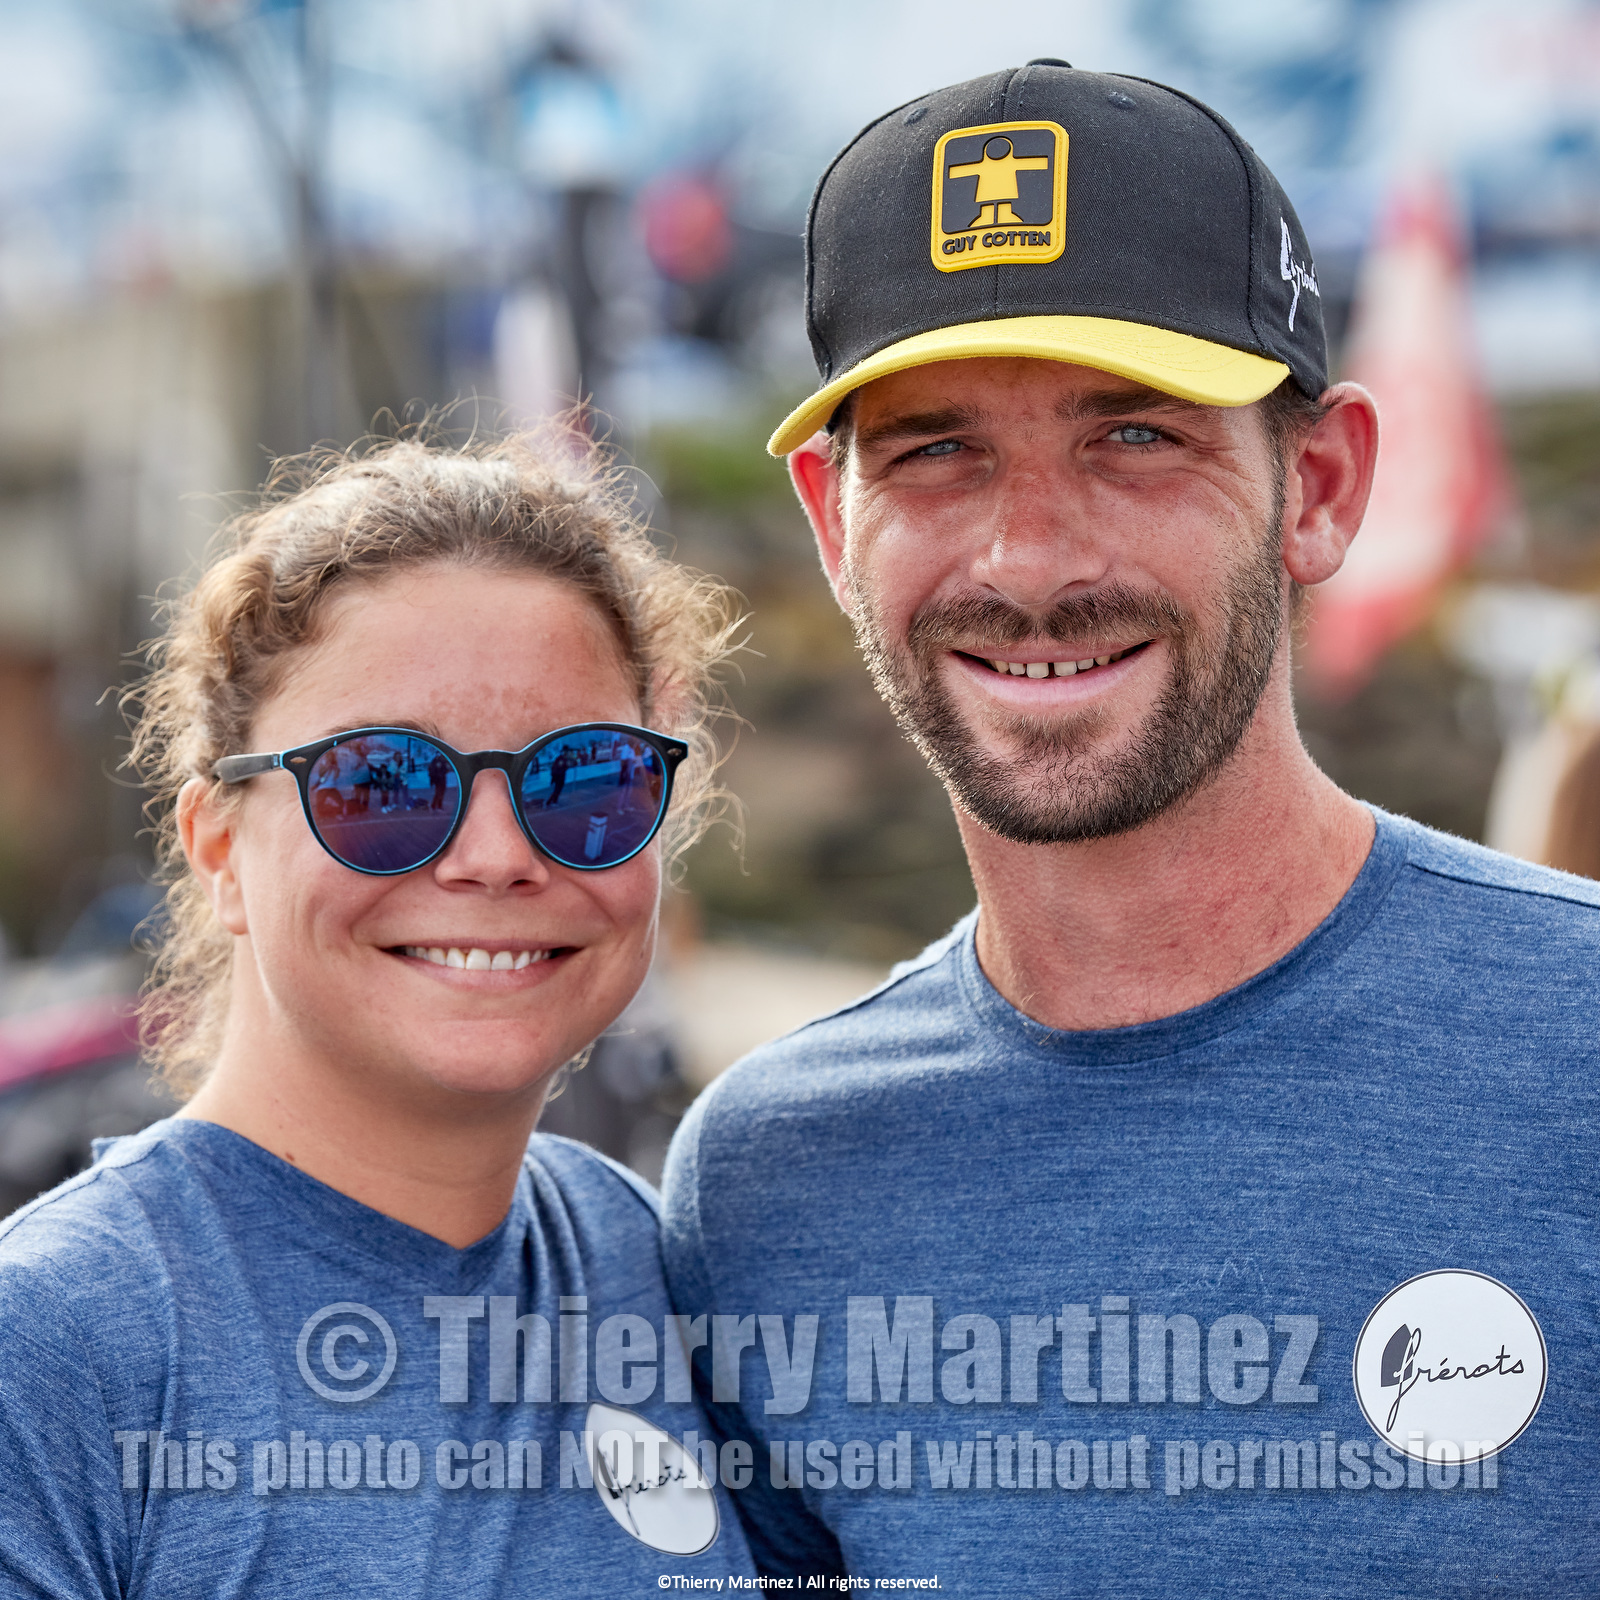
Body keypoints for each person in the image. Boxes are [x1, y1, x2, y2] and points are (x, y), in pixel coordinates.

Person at [661, 61, 1600, 1595]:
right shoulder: (770, 1186)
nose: (1031, 555)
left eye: (1137, 436)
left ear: (1324, 486)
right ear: (836, 527)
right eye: (934, 450)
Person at [0, 432, 754, 1594]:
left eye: (586, 775)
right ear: (219, 848)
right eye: (384, 781)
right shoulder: (55, 1346)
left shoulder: (644, 1255)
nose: (497, 857)